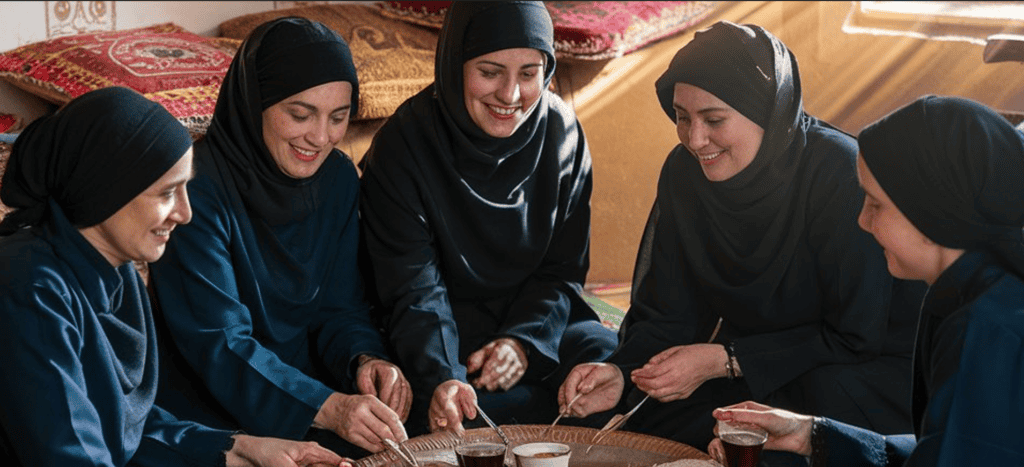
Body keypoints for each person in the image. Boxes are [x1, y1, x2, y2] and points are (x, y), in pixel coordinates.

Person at [558, 20, 926, 452]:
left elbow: (855, 335)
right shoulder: (684, 173)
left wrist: (726, 360)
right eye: (681, 117)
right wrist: (624, 372)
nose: (695, 140)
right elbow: (668, 312)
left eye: (714, 119)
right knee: (639, 414)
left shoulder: (838, 175)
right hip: (752, 366)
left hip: (856, 364)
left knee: (800, 413)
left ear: (767, 111)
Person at [0, 86, 346, 467]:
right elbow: (71, 455)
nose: (185, 214)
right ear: (105, 190)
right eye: (167, 193)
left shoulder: (118, 273)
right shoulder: (29, 289)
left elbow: (125, 425)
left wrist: (237, 448)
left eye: (186, 189)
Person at [707, 95, 1024, 466]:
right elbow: (943, 448)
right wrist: (813, 435)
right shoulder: (965, 296)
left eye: (875, 204)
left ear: (933, 212)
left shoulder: (991, 329)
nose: (861, 220)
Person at [148, 17, 411, 458]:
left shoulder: (339, 179)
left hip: (308, 399)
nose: (320, 137)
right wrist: (329, 408)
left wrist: (365, 361)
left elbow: (340, 306)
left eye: (339, 118)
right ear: (255, 104)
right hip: (210, 412)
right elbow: (220, 342)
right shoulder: (194, 188)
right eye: (300, 114)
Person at [359, 1, 618, 436]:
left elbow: (562, 272)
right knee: (445, 407)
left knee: (610, 366)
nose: (511, 95)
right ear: (455, 64)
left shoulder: (562, 133)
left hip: (534, 319)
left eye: (529, 73)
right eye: (491, 71)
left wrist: (522, 342)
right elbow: (412, 288)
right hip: (438, 331)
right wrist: (443, 375)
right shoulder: (405, 145)